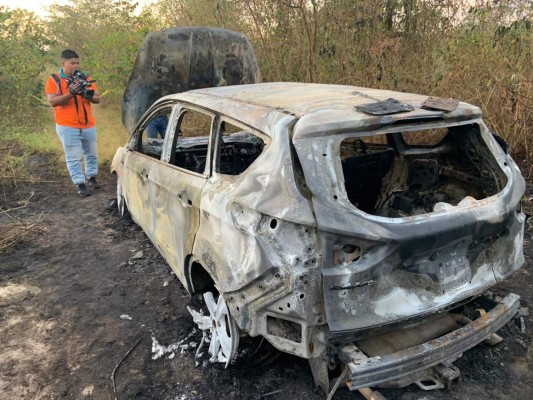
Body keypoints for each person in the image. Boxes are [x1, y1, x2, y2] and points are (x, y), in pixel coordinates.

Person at [45, 49, 101, 197]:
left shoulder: (85, 77)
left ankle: (92, 177)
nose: (75, 66)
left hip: (88, 123)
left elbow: (96, 99)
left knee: (92, 153)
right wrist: (71, 93)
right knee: (73, 156)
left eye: (77, 63)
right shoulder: (54, 80)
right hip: (67, 125)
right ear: (63, 63)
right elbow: (53, 101)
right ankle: (80, 183)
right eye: (72, 63)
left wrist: (84, 92)